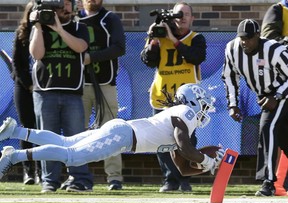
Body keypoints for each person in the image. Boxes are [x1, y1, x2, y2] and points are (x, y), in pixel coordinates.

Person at [0, 84, 224, 182]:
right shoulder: (185, 112)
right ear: (193, 102)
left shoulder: (180, 121)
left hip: (122, 133)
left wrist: (206, 166)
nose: (204, 111)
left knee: (66, 142)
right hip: (123, 136)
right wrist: (206, 160)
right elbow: (185, 148)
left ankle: (15, 130)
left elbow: (183, 169)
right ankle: (14, 156)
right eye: (203, 105)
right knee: (72, 156)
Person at [140, 2, 206, 192]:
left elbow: (196, 57)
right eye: (178, 14)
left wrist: (174, 40)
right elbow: (147, 61)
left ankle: (185, 179)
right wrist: (153, 39)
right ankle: (170, 180)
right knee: (162, 141)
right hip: (163, 96)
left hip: (188, 100)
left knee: (186, 140)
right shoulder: (160, 37)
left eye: (186, 14)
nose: (182, 18)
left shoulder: (196, 38)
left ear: (192, 18)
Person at [29, 0, 93, 193]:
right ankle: (49, 181)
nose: (63, 8)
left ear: (73, 7)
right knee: (47, 139)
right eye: (59, 4)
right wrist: (39, 27)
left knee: (76, 138)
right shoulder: (40, 27)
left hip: (72, 91)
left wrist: (59, 29)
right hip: (45, 90)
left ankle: (80, 179)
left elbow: (80, 47)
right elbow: (37, 54)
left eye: (67, 4)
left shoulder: (79, 27)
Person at [222, 19, 288, 197]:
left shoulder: (273, 49)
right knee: (283, 138)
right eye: (242, 38)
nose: (245, 42)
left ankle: (268, 183)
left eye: (249, 38)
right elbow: (229, 77)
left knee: (268, 128)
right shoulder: (232, 49)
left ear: (258, 36)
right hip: (268, 96)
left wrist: (277, 95)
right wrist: (233, 104)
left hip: (282, 92)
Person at [66, 0, 125, 190]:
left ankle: (114, 177)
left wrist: (91, 57)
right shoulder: (73, 20)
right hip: (79, 85)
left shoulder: (111, 19)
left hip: (106, 83)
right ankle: (78, 177)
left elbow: (119, 48)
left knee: (112, 131)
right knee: (77, 133)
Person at [11, 0, 41, 185]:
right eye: (34, 11)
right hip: (24, 88)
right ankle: (28, 171)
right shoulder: (21, 33)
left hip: (45, 88)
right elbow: (16, 64)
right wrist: (28, 84)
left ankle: (41, 170)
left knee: (42, 130)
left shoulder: (47, 32)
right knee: (27, 129)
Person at [261, 0, 288, 196]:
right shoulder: (278, 10)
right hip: (282, 82)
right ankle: (270, 182)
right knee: (270, 129)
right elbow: (269, 41)